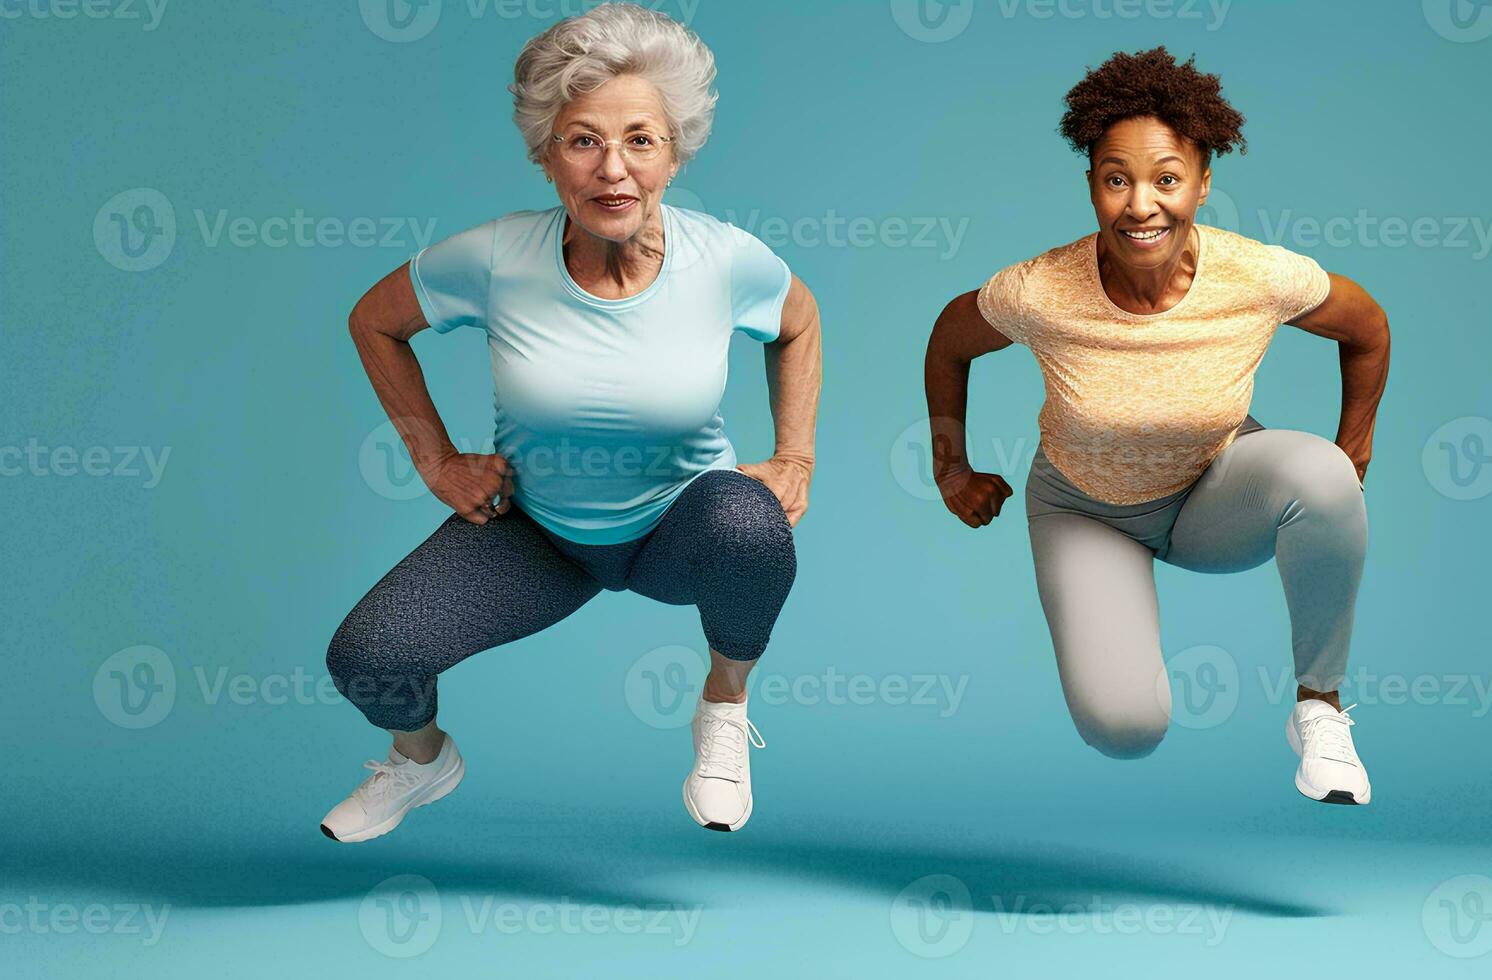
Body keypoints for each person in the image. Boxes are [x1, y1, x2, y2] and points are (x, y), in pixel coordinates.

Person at [323, 3, 822, 840]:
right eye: (583, 140)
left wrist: (795, 456)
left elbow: (799, 323)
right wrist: (435, 461)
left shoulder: (725, 260)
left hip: (677, 530)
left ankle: (724, 712)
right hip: (539, 536)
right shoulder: (493, 257)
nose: (612, 169)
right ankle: (419, 760)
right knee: (368, 660)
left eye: (639, 140)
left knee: (751, 523)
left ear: (673, 154)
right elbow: (374, 321)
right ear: (547, 157)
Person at [923, 48, 1390, 805]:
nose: (1141, 204)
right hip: (1085, 512)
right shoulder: (1039, 290)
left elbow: (1366, 327)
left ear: (1203, 184)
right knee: (1125, 727)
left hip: (1215, 493)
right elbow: (949, 338)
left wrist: (1354, 451)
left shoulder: (1258, 276)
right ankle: (1131, 697)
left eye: (1166, 178)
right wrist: (951, 466)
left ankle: (1320, 708)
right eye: (1116, 179)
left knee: (1320, 474)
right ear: (1091, 186)